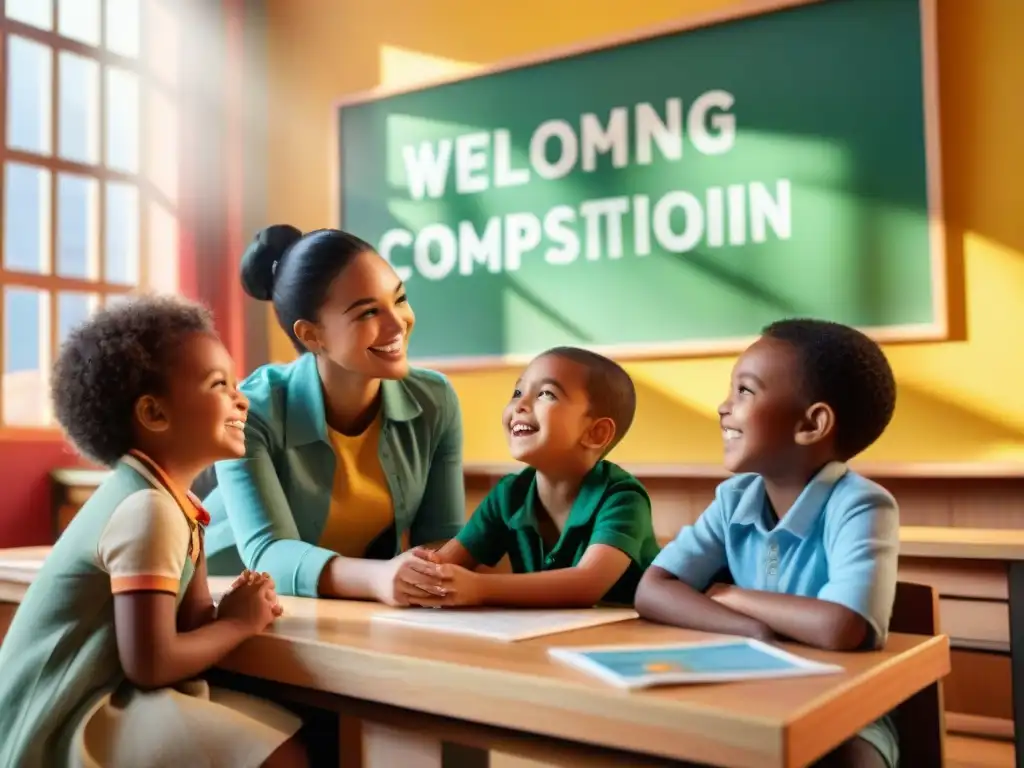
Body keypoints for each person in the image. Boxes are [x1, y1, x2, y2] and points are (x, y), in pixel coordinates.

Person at [0, 297, 307, 767]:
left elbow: (189, 625)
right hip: (55, 723)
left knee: (286, 727)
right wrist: (238, 623)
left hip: (100, 697)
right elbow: (152, 665)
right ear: (154, 414)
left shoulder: (172, 503)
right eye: (218, 385)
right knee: (279, 755)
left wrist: (237, 606)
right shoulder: (147, 509)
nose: (240, 398)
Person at [635, 319, 900, 768]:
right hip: (741, 693)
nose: (723, 406)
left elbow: (841, 626)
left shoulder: (862, 504)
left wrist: (730, 595)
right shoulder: (734, 499)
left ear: (812, 423)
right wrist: (751, 630)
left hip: (843, 711)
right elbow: (653, 589)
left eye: (745, 391)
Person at [201, 225, 463, 604]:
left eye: (400, 299)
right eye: (368, 312)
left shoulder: (434, 400)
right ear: (311, 335)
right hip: (220, 604)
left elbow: (441, 535)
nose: (397, 324)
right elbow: (268, 554)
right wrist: (379, 579)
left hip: (331, 606)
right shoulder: (250, 410)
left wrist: (434, 574)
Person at [408, 347, 660, 608]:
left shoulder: (622, 498)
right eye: (517, 392)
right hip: (542, 634)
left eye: (546, 394)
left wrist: (478, 586)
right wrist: (415, 572)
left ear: (596, 433)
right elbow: (444, 564)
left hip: (625, 637)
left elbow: (586, 584)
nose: (520, 405)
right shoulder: (509, 494)